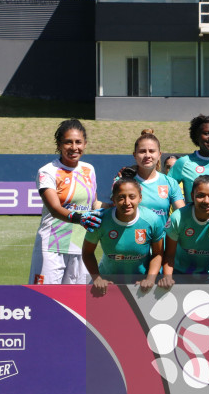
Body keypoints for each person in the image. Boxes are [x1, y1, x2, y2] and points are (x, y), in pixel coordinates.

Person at [28, 119, 102, 285]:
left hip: (81, 246)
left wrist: (117, 205)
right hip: (52, 247)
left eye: (78, 142)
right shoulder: (47, 171)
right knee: (44, 298)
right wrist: (80, 219)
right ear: (59, 144)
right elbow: (54, 208)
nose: (74, 147)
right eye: (68, 142)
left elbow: (94, 204)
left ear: (85, 143)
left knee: (76, 302)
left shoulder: (89, 169)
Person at [82, 175, 165, 294]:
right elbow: (87, 253)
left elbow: (158, 254)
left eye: (132, 197)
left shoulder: (152, 220)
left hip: (141, 285)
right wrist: (97, 278)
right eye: (121, 197)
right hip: (107, 285)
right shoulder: (100, 221)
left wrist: (150, 279)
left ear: (140, 198)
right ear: (113, 199)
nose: (127, 202)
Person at [116, 129, 185, 219]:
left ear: (159, 155)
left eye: (152, 151)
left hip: (161, 233)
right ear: (135, 155)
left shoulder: (170, 183)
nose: (147, 155)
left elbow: (182, 216)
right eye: (142, 151)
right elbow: (114, 209)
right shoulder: (122, 181)